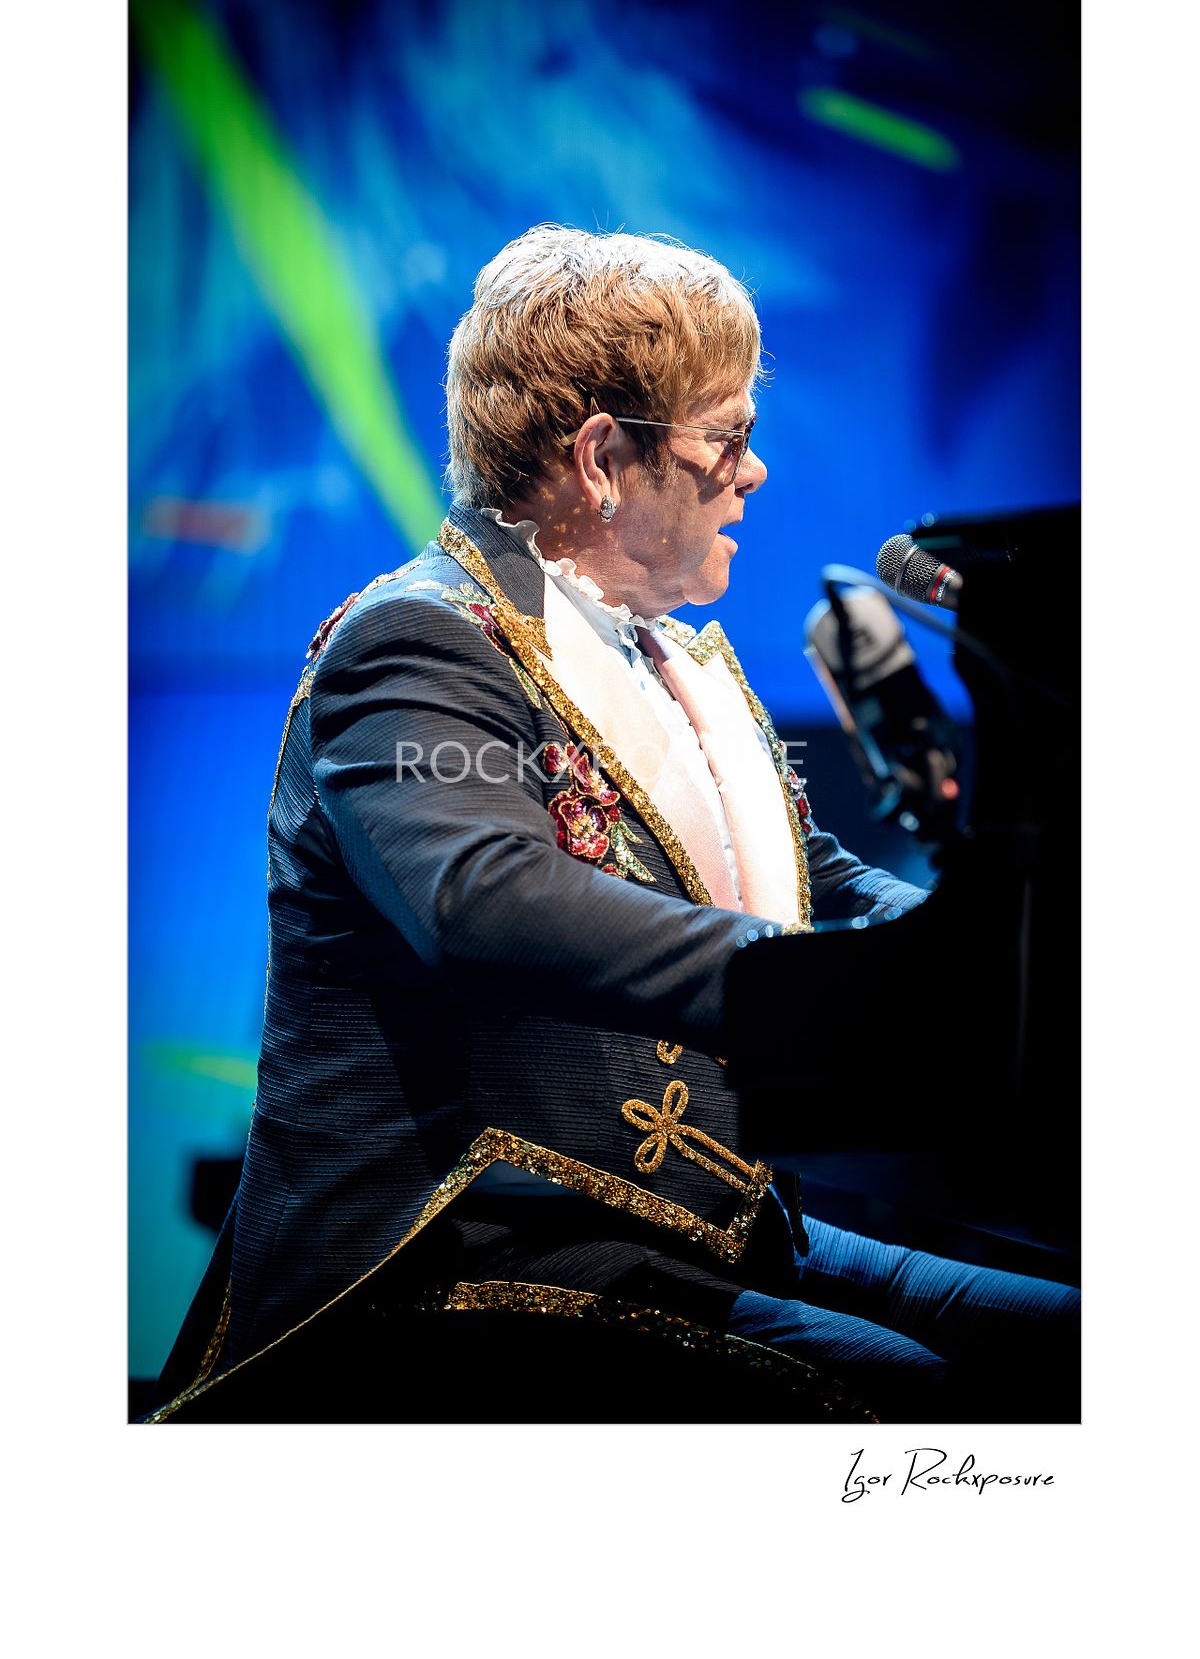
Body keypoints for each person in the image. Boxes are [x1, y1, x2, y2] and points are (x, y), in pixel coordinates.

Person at [147, 225, 1078, 1422]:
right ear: (601, 459)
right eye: (727, 436)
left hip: (707, 1224)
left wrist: (1008, 956)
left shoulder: (670, 660)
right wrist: (813, 985)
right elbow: (483, 899)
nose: (754, 472)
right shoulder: (415, 640)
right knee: (924, 1405)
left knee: (1081, 1345)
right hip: (454, 1260)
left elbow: (820, 879)